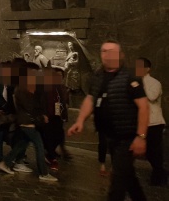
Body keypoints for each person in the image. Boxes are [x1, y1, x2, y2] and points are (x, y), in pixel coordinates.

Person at [68, 41, 149, 201]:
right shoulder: (98, 76)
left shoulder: (130, 77)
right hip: (110, 136)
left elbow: (144, 107)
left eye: (111, 51)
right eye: (104, 51)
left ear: (120, 55)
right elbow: (91, 99)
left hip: (127, 137)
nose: (107, 54)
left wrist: (141, 137)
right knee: (128, 177)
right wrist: (80, 120)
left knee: (117, 182)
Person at [0, 64, 58, 182]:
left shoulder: (29, 86)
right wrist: (40, 115)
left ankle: (5, 163)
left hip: (27, 120)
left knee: (22, 144)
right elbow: (29, 106)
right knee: (39, 145)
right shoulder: (22, 88)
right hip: (27, 121)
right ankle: (43, 173)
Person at [136, 57, 167, 186]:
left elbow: (152, 97)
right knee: (147, 151)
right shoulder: (136, 82)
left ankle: (159, 176)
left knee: (154, 150)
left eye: (140, 67)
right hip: (144, 123)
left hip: (155, 123)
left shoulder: (155, 83)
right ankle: (160, 173)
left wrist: (140, 84)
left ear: (147, 69)